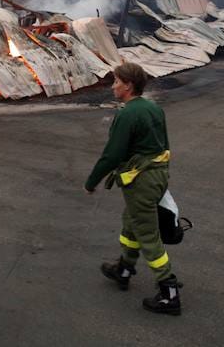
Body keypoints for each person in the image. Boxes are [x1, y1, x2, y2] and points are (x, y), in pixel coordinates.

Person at [84, 62, 181, 316]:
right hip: (157, 176)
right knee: (131, 223)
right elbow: (164, 144)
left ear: (128, 85)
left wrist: (92, 181)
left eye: (116, 81)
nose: (113, 86)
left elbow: (113, 154)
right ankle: (124, 269)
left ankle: (169, 292)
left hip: (141, 180)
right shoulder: (153, 108)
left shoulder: (127, 114)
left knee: (148, 235)